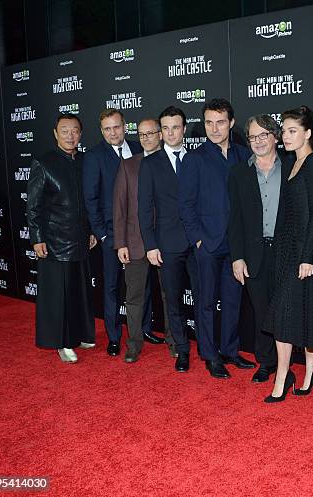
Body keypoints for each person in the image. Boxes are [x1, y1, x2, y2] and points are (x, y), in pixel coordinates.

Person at [262, 106, 313, 402]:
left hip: (306, 253)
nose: (286, 136)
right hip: (288, 251)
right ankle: (311, 368)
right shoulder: (292, 163)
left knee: (285, 313)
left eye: (293, 131)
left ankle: (283, 376)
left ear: (307, 133)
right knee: (303, 312)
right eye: (284, 131)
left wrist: (307, 257)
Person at [179, 98, 255, 379]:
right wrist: (198, 239)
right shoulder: (194, 158)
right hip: (207, 245)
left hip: (236, 245)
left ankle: (230, 351)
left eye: (220, 122)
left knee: (233, 300)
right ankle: (210, 355)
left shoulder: (243, 154)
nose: (214, 128)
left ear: (231, 123)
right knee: (207, 302)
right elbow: (185, 204)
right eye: (209, 122)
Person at [83, 109, 161, 357]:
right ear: (101, 131)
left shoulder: (141, 147)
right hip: (111, 235)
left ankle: (144, 328)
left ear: (125, 126)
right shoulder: (94, 156)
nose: (112, 133)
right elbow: (91, 199)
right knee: (112, 288)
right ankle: (115, 336)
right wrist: (104, 235)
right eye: (107, 129)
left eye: (116, 127)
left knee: (143, 285)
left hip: (142, 235)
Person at [27, 113, 96, 363]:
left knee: (81, 292)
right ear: (55, 133)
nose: (70, 135)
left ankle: (83, 334)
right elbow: (33, 206)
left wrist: (91, 231)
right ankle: (63, 342)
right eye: (64, 130)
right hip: (55, 242)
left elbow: (89, 202)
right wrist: (37, 238)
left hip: (81, 239)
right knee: (60, 295)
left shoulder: (86, 161)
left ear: (81, 134)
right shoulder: (43, 163)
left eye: (75, 131)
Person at [138, 106, 199, 372]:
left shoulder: (197, 159)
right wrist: (150, 244)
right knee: (173, 301)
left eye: (176, 127)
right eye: (166, 128)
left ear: (184, 129)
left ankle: (209, 349)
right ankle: (182, 350)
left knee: (204, 299)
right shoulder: (150, 164)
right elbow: (143, 208)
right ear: (161, 132)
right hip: (167, 243)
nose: (171, 132)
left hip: (198, 243)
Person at [228, 115, 288, 383]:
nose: (259, 141)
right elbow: (235, 219)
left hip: (285, 251)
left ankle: (289, 363)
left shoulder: (292, 167)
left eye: (264, 135)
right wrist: (237, 257)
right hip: (254, 253)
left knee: (286, 308)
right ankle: (266, 362)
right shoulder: (239, 173)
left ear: (275, 136)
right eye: (253, 136)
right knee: (261, 311)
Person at [113, 118, 171, 363]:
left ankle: (175, 341)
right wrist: (121, 243)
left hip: (167, 242)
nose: (146, 138)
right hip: (135, 243)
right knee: (134, 297)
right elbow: (119, 206)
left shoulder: (172, 163)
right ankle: (134, 343)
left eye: (151, 133)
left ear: (160, 134)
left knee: (170, 295)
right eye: (141, 134)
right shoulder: (128, 165)